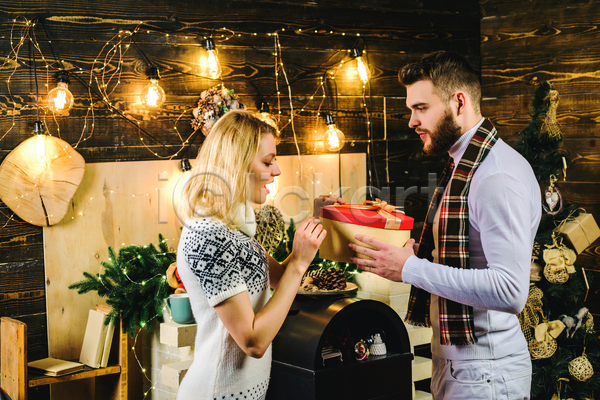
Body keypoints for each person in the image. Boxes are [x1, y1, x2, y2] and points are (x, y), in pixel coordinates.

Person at [348, 51, 541, 400]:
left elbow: (510, 291)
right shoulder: (464, 162)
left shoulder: (495, 175)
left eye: (421, 108)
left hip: (487, 373)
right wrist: (410, 256)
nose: (411, 121)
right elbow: (464, 257)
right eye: (411, 110)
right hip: (462, 365)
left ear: (459, 102)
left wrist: (412, 269)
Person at [175, 110, 334, 400]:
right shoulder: (208, 234)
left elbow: (279, 280)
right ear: (236, 164)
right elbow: (253, 341)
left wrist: (315, 220)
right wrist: (299, 263)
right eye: (267, 161)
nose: (277, 171)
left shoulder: (235, 228)